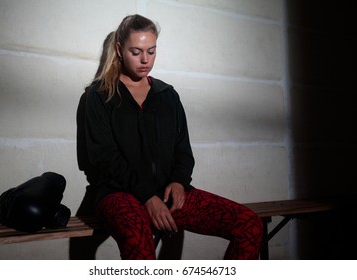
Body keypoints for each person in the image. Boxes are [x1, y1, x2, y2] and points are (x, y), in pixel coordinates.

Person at [76, 14, 263, 260]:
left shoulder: (167, 95)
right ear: (120, 49)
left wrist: (178, 181)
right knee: (138, 239)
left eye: (151, 51)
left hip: (167, 195)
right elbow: (103, 157)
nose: (145, 59)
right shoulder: (99, 95)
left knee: (250, 224)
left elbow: (183, 150)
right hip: (118, 194)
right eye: (136, 51)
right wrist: (147, 197)